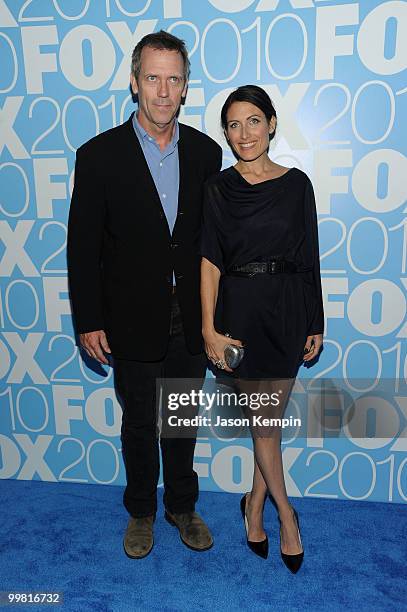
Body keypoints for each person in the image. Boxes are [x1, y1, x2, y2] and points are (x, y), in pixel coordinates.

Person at [67, 30, 223, 559]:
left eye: (173, 79)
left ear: (185, 87)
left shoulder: (206, 153)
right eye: (152, 77)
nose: (162, 90)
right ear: (134, 84)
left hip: (190, 318)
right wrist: (88, 319)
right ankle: (140, 511)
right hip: (128, 317)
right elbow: (82, 248)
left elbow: (210, 243)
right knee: (138, 422)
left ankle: (182, 504)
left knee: (180, 419)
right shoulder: (97, 157)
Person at [200, 85, 324, 573]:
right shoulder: (218, 188)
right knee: (267, 427)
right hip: (242, 318)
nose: (243, 133)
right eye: (233, 124)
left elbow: (310, 256)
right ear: (226, 134)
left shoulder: (298, 185)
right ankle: (287, 519)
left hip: (289, 313)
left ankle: (253, 507)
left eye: (253, 121)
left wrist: (315, 320)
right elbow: (209, 262)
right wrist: (209, 329)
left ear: (272, 124)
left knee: (263, 428)